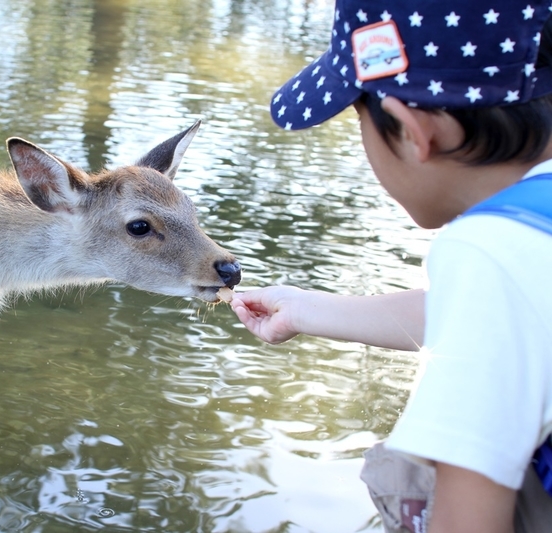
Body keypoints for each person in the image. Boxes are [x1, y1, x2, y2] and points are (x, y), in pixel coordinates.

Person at [230, 1, 552, 531]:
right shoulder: (528, 243)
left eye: (360, 118)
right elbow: (491, 320)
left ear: (412, 130)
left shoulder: (489, 250)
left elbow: (469, 519)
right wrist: (304, 309)